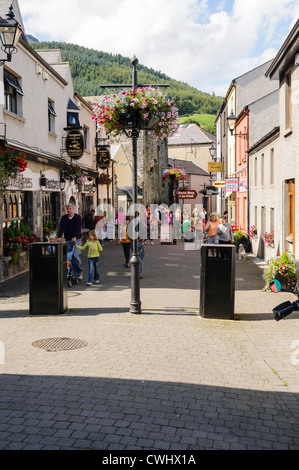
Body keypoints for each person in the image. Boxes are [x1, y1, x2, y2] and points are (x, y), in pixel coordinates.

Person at [57, 203, 83, 279]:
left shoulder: (78, 217)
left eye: (70, 208)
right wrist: (59, 237)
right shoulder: (64, 218)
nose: (68, 210)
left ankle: (79, 272)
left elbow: (78, 229)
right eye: (67, 209)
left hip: (76, 239)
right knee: (69, 258)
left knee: (75, 256)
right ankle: (73, 273)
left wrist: (75, 237)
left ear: (73, 209)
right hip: (68, 239)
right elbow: (61, 228)